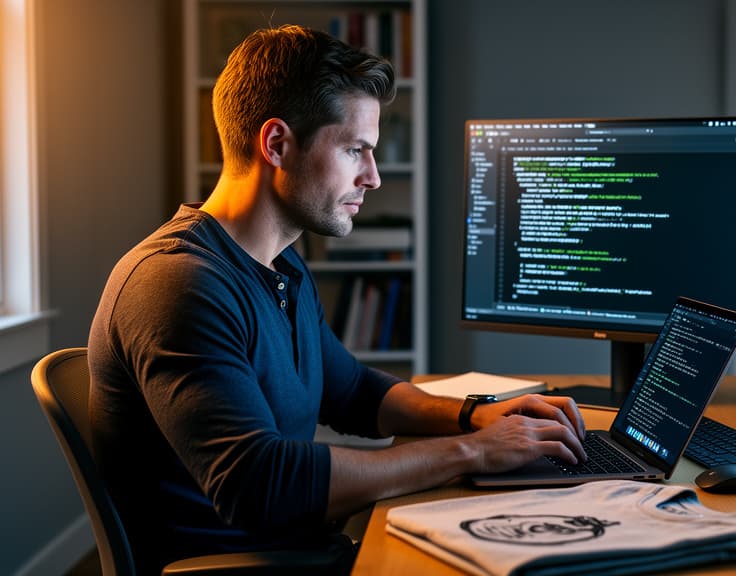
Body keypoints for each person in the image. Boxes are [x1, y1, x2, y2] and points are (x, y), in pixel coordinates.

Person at [88, 25, 586, 574]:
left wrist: (477, 417)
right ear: (277, 144)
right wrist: (474, 452)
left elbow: (350, 391)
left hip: (304, 546)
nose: (371, 177)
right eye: (355, 150)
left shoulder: (279, 263)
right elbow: (260, 484)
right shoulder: (179, 284)